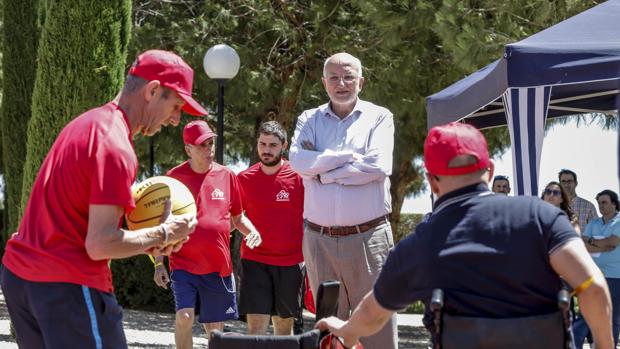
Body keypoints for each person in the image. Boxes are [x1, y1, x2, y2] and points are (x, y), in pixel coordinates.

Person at [316, 122, 614, 349]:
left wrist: (346, 330)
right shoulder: (543, 217)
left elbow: (372, 314)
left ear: (432, 182)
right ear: (490, 169)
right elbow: (593, 287)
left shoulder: (421, 244)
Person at [1, 49, 202, 348]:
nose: (175, 120)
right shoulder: (116, 146)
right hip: (66, 286)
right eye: (176, 106)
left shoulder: (88, 123)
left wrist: (153, 239)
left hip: (22, 279)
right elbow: (99, 244)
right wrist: (164, 232)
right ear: (153, 90)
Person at [289, 52, 396, 349]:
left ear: (361, 81)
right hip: (318, 240)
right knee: (327, 331)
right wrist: (345, 158)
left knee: (377, 330)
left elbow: (378, 166)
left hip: (369, 238)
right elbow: (298, 161)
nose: (342, 83)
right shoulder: (308, 119)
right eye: (334, 77)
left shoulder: (380, 117)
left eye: (349, 76)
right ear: (324, 83)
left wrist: (322, 171)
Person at [152, 120, 263, 349]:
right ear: (188, 149)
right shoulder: (173, 178)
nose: (208, 149)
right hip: (183, 264)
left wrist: (253, 232)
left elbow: (237, 218)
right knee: (184, 316)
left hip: (217, 267)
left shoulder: (227, 175)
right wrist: (159, 264)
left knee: (215, 331)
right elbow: (161, 224)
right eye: (202, 145)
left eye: (211, 143)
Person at [236, 121, 305, 335]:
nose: (266, 150)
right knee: (256, 326)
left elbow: (312, 218)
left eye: (273, 145)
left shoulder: (299, 178)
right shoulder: (243, 179)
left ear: (284, 146)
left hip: (290, 262)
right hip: (254, 260)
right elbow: (235, 218)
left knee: (284, 327)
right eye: (262, 144)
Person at [573, 190, 620, 348]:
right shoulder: (594, 223)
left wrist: (592, 240)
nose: (601, 206)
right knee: (587, 314)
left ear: (614, 203)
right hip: (594, 275)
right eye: (599, 203)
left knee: (613, 319)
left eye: (604, 202)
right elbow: (583, 245)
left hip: (616, 277)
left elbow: (613, 242)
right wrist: (601, 243)